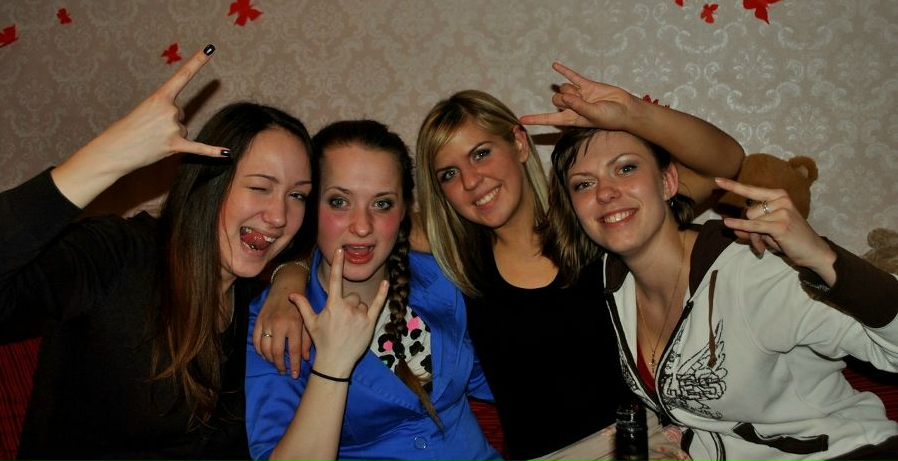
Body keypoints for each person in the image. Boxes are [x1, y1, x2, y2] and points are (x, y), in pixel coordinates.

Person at [255, 63, 744, 460]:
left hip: (639, 444)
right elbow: (353, 228)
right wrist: (286, 279)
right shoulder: (453, 258)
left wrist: (633, 114)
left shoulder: (591, 220)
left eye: (481, 153)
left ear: (519, 142)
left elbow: (724, 166)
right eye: (449, 173)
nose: (472, 181)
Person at [534, 80, 898, 460]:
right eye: (584, 184)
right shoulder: (612, 284)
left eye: (626, 168)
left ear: (667, 181)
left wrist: (822, 257)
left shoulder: (752, 271)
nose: (605, 192)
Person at [0, 46, 315, 460]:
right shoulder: (118, 253)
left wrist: (289, 275)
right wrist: (108, 156)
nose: (279, 216)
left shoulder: (246, 294)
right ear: (208, 183)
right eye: (259, 187)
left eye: (297, 195)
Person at [244, 119, 501, 461]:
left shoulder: (441, 279)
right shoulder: (280, 320)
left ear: (404, 209)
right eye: (339, 202)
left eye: (382, 204)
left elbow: (497, 378)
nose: (362, 226)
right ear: (310, 206)